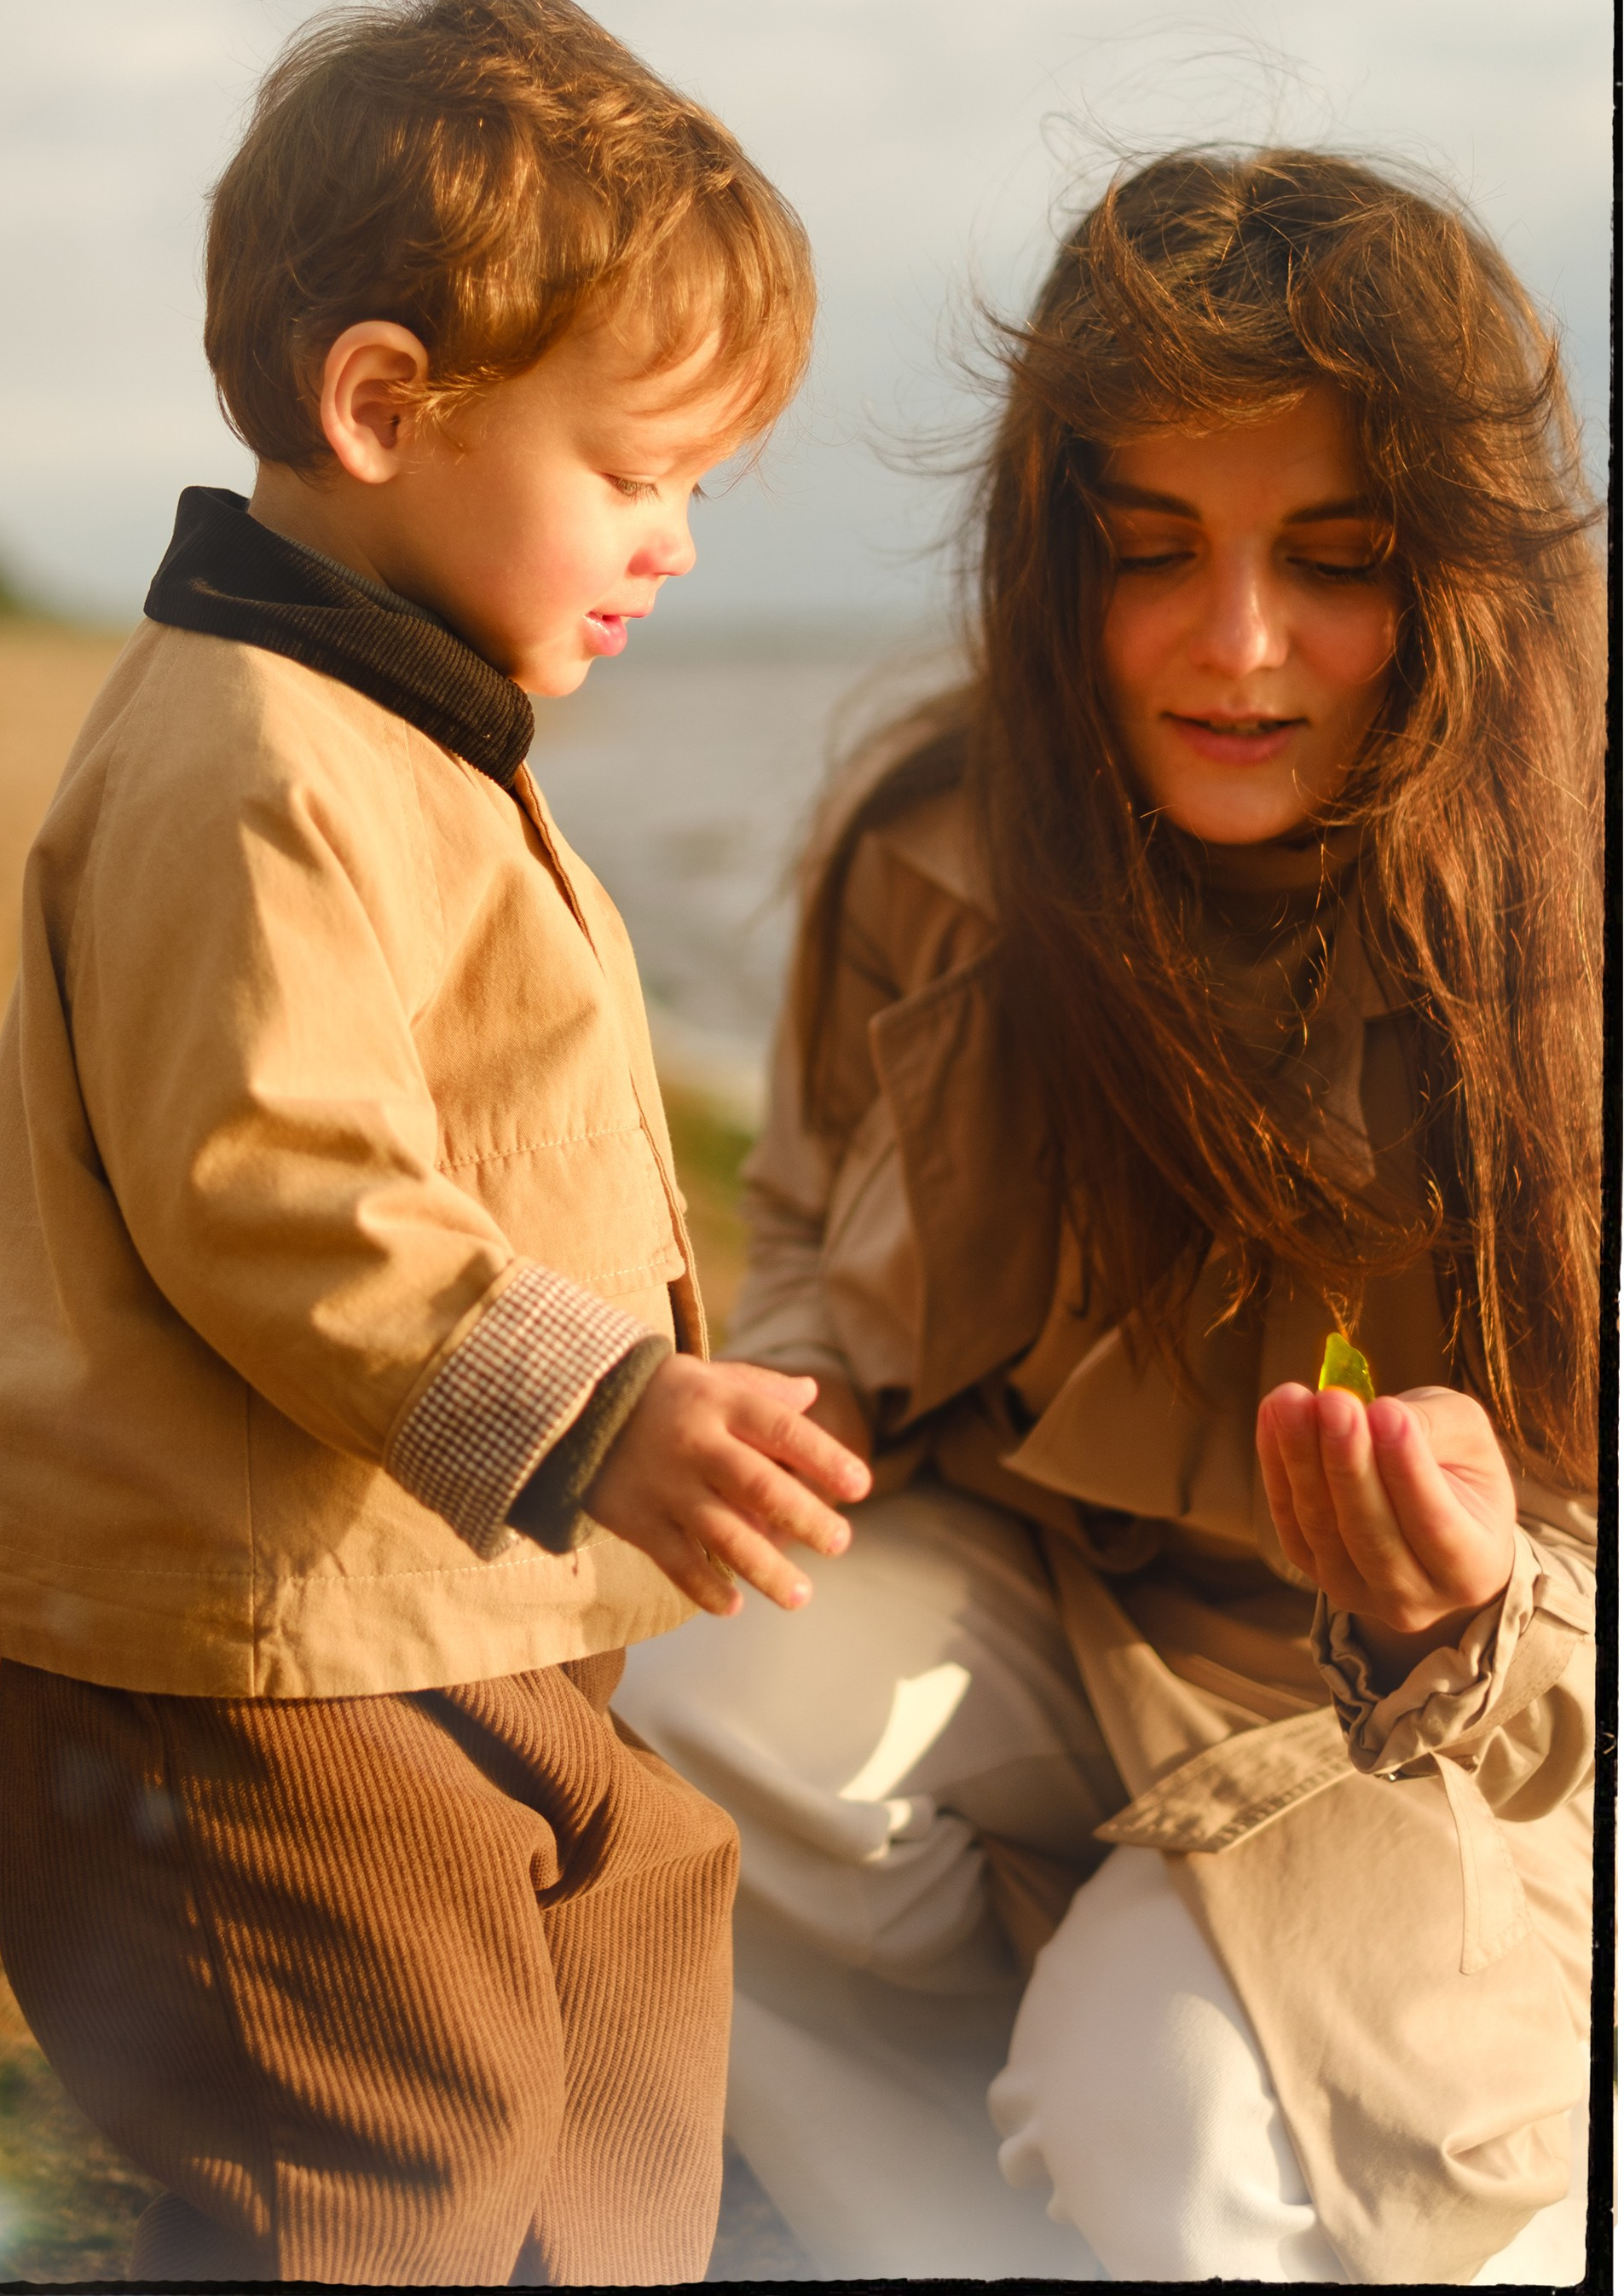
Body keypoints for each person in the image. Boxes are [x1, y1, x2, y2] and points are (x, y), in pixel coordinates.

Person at [0, 0, 870, 2288]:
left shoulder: (400, 724)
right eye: (636, 474)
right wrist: (605, 1405)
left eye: (697, 489)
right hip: (255, 1640)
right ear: (387, 404)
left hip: (437, 1587)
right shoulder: (250, 753)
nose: (677, 544)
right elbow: (274, 1185)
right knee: (378, 2127)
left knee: (622, 1978)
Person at [616, 147, 1598, 2286]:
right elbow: (805, 1215)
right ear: (1052, 555)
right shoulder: (932, 834)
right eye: (1151, 552)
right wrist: (784, 1388)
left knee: (1187, 2129)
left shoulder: (1578, 900)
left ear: (1468, 567)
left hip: (1456, 1721)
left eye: (1334, 560)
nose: (1234, 647)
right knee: (691, 1695)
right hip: (1045, 1611)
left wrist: (1469, 1602)